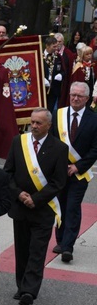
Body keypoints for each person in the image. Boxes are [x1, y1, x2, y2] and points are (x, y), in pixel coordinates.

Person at [4, 108, 68, 305]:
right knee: (22, 249)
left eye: (39, 123)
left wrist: (37, 199)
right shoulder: (18, 142)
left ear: (49, 125)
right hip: (21, 206)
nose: (34, 126)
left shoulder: (59, 148)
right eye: (32, 122)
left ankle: (29, 291)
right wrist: (19, 194)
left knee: (37, 250)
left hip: (43, 209)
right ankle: (21, 285)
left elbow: (58, 182)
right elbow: (8, 173)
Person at [51, 82, 97, 263]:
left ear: (86, 99)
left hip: (80, 173)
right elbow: (52, 141)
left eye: (80, 96)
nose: (76, 98)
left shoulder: (93, 119)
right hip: (59, 171)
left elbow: (95, 149)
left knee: (72, 207)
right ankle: (60, 241)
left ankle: (68, 247)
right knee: (60, 207)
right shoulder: (58, 115)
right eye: (73, 95)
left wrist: (78, 166)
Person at [43, 36, 67, 113]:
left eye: (57, 46)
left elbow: (64, 71)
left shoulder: (58, 57)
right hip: (42, 89)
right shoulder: (39, 56)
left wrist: (61, 75)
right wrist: (41, 78)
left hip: (54, 89)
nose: (56, 48)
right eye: (54, 46)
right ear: (47, 45)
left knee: (51, 110)